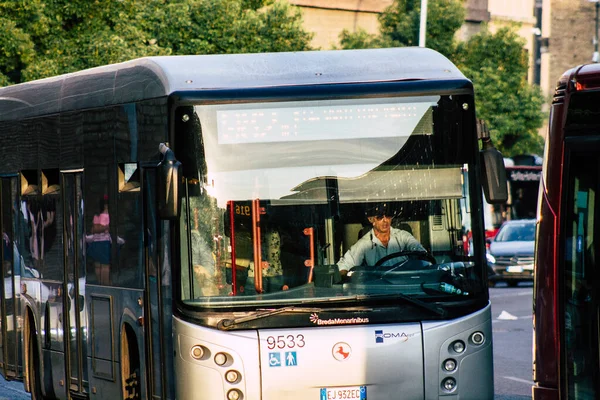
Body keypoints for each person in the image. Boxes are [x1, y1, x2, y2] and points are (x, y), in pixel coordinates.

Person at [337, 203, 426, 277]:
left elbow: (421, 253)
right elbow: (343, 266)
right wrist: (351, 278)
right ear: (371, 219)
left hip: (404, 284)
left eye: (388, 216)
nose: (385, 220)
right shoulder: (364, 244)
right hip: (378, 289)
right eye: (380, 217)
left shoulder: (403, 236)